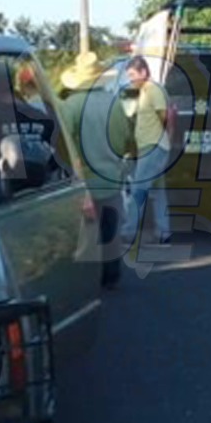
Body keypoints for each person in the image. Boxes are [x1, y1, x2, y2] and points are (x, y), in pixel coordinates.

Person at [58, 51, 134, 290]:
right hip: (111, 176)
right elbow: (126, 140)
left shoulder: (70, 106)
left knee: (86, 235)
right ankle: (111, 275)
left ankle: (87, 281)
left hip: (83, 183)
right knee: (111, 230)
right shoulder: (115, 103)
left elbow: (63, 145)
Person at [121, 55, 172, 245]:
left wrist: (167, 139)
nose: (131, 79)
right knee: (158, 192)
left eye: (133, 75)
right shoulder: (143, 91)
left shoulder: (153, 89)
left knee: (138, 190)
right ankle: (163, 231)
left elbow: (166, 116)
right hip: (150, 146)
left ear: (143, 71)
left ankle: (128, 232)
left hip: (153, 146)